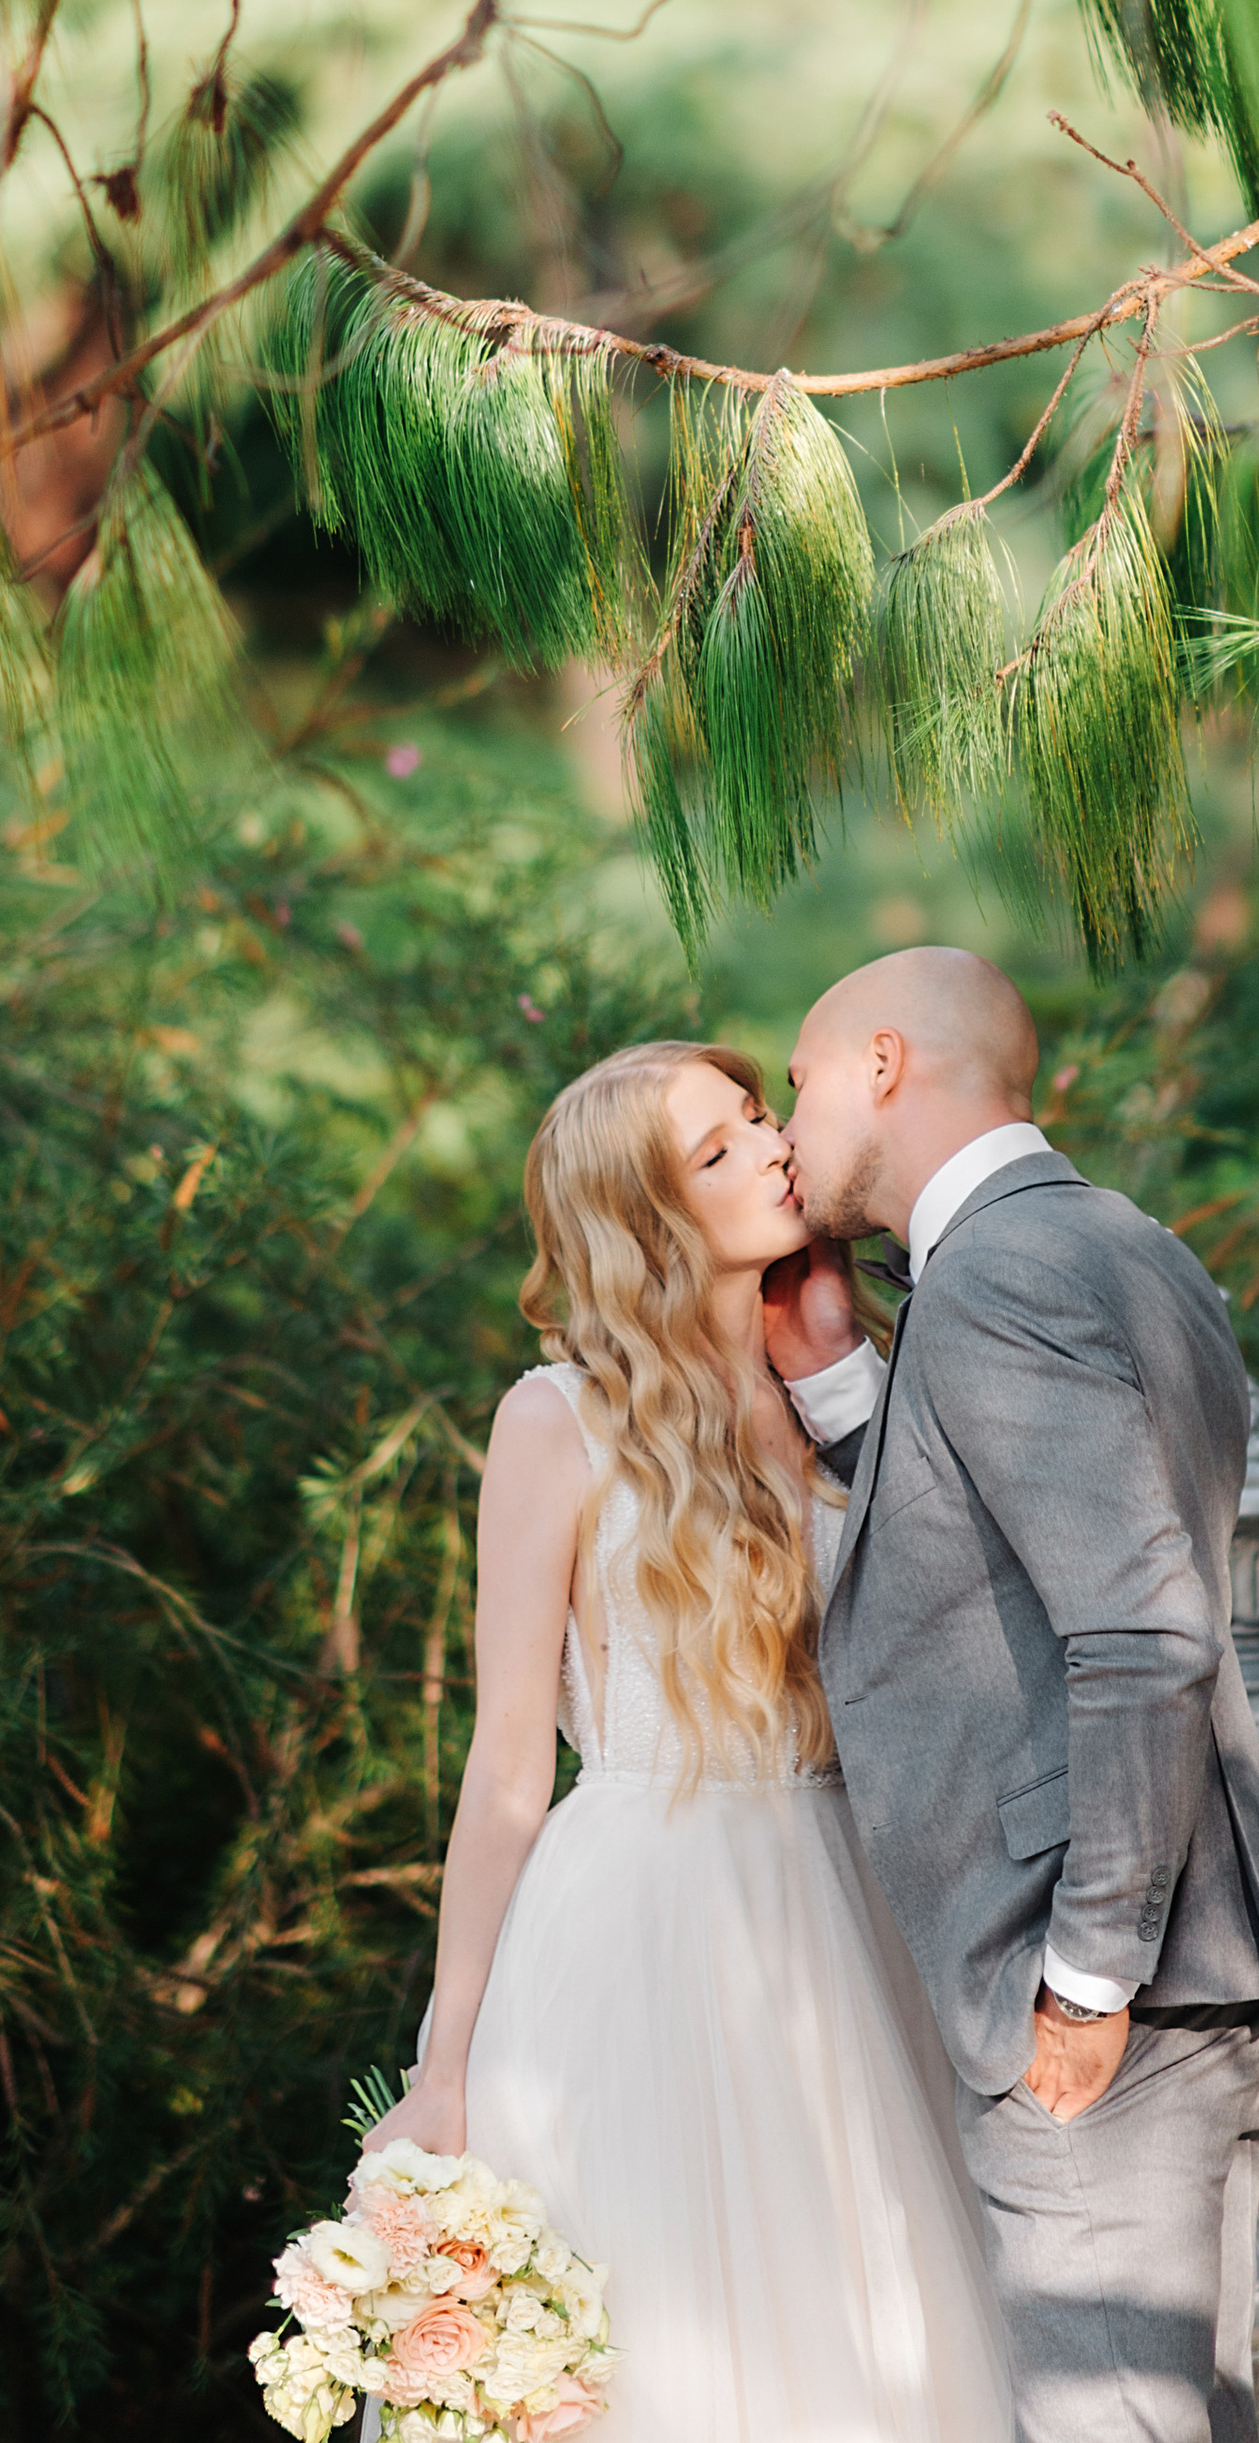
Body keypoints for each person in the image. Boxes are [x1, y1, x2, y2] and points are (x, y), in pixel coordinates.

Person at [359, 1037, 1013, 2443]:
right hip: (646, 1920)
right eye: (719, 1152)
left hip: (854, 1899)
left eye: (760, 1117)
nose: (776, 1148)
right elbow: (508, 1767)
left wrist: (845, 1367)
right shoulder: (559, 1422)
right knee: (666, 2349)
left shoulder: (846, 1381)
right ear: (652, 1221)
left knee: (879, 2334)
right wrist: (447, 2062)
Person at [764, 947, 1259, 2443]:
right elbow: (1003, 1565)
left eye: (800, 1082)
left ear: (884, 1064)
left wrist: (1085, 1977)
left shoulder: (1003, 1278)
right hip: (1202, 1945)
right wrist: (839, 1386)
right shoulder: (1122, 1242)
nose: (786, 1124)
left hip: (1107, 1981)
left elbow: (1144, 1634)